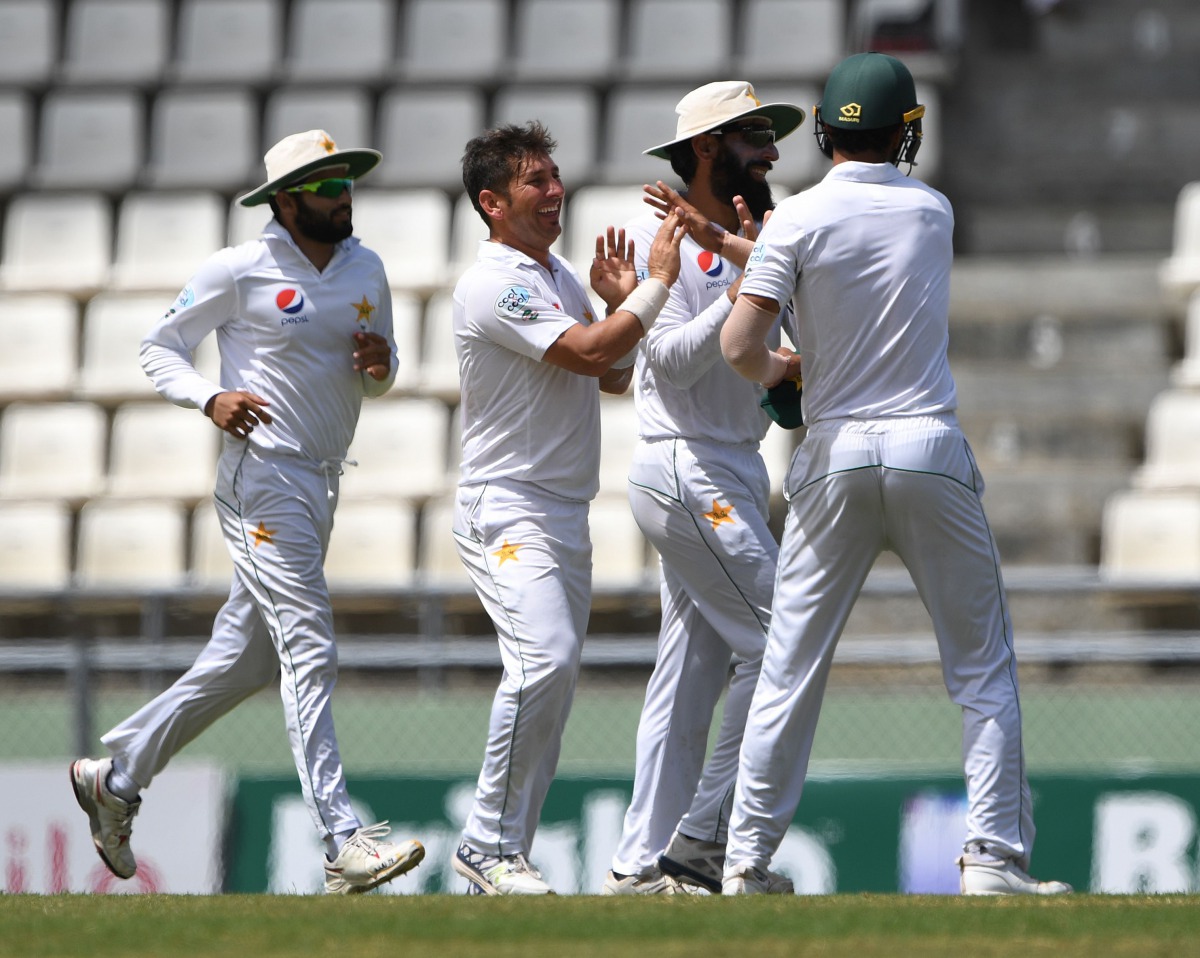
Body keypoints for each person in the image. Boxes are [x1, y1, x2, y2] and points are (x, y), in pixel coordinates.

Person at [718, 53, 1073, 896]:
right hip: (925, 449)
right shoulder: (932, 210)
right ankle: (991, 860)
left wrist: (785, 374)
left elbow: (740, 347)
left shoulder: (795, 221)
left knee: (789, 669)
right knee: (981, 669)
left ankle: (745, 861)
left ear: (827, 131)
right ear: (902, 130)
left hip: (831, 456)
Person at [70, 130, 425, 895]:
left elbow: (382, 373)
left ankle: (117, 778)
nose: (343, 196)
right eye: (327, 186)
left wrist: (380, 367)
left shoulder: (368, 267)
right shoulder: (239, 269)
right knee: (307, 646)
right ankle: (342, 838)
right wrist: (211, 396)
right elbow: (159, 346)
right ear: (288, 200)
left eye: (346, 181)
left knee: (247, 661)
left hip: (323, 482)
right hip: (259, 479)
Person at [449, 121, 685, 895]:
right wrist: (653, 286)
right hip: (507, 507)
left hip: (561, 510)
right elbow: (590, 353)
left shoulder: (550, 273)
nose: (554, 191)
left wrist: (618, 307)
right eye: (533, 181)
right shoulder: (499, 281)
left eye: (554, 176)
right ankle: (485, 845)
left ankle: (505, 853)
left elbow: (604, 375)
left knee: (554, 676)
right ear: (492, 202)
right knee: (542, 660)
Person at [602, 81, 805, 897]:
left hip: (732, 467)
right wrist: (732, 287)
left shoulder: (757, 235)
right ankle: (702, 840)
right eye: (756, 134)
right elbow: (670, 362)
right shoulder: (676, 246)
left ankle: (638, 864)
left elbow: (775, 357)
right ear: (708, 149)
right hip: (685, 463)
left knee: (687, 675)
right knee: (781, 638)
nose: (774, 150)